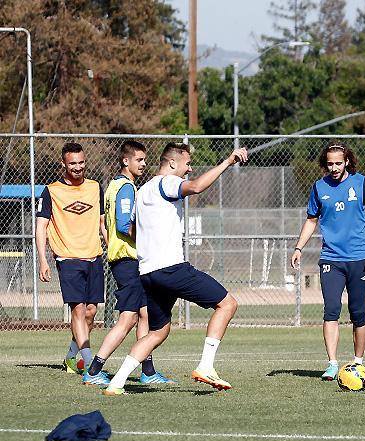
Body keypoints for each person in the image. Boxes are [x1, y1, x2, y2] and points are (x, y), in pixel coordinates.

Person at [103, 143, 248, 396]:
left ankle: (117, 382)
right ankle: (205, 366)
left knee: (158, 332)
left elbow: (131, 229)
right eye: (187, 164)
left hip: (147, 273)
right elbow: (197, 187)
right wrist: (227, 162)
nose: (190, 169)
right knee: (227, 304)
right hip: (171, 269)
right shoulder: (167, 182)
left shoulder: (143, 190)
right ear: (172, 163)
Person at [291, 142, 365, 381]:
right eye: (330, 163)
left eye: (338, 163)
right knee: (331, 310)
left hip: (358, 258)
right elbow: (311, 220)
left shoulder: (362, 183)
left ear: (347, 162)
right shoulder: (318, 187)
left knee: (358, 313)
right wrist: (299, 247)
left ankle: (358, 363)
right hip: (331, 259)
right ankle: (332, 364)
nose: (334, 168)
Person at [83, 141, 174, 385]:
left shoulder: (114, 186)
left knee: (144, 315)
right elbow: (124, 225)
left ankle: (148, 371)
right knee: (128, 318)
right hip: (127, 260)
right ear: (126, 161)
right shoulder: (125, 188)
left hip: (126, 259)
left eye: (145, 160)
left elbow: (106, 223)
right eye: (139, 159)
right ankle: (94, 370)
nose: (144, 164)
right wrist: (148, 239)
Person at [36, 142, 107, 373]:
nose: (78, 167)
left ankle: (70, 357)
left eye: (81, 162)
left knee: (91, 312)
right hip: (67, 258)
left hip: (94, 257)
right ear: (63, 164)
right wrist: (43, 260)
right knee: (78, 310)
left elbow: (103, 223)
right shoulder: (51, 191)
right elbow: (41, 227)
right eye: (73, 163)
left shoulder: (95, 187)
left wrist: (113, 249)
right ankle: (90, 366)